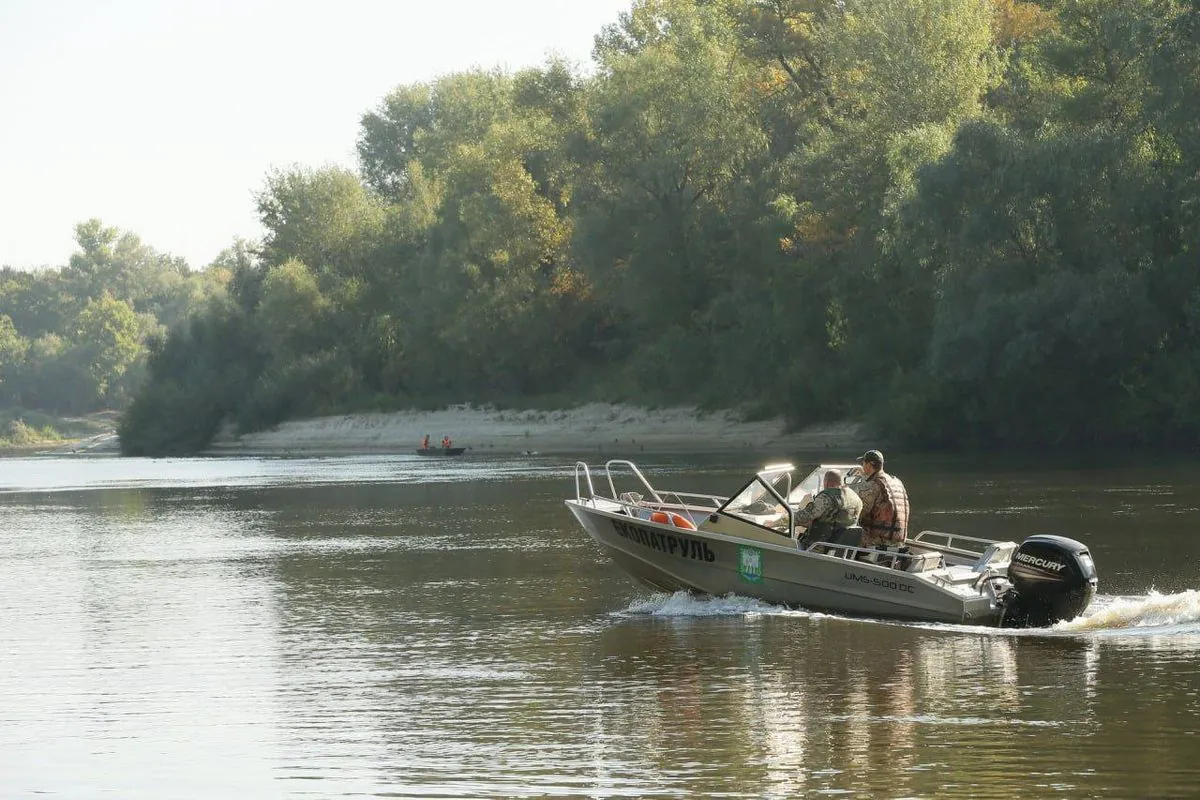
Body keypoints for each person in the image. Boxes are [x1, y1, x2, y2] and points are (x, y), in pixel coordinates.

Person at [852, 450, 910, 548]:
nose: (862, 466)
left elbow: (859, 512)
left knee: (843, 533)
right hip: (899, 540)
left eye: (863, 463)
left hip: (878, 541)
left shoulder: (873, 485)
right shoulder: (896, 481)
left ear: (870, 464)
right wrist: (865, 477)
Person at [794, 469, 863, 549]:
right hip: (840, 549)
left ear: (826, 482)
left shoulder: (826, 497)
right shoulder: (855, 498)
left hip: (817, 548)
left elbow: (804, 517)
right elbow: (835, 520)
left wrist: (785, 518)